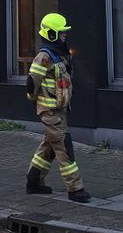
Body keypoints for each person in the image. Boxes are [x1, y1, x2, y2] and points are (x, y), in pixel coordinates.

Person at [25, 13, 91, 203]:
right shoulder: (44, 56)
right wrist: (37, 101)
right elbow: (31, 83)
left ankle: (34, 181)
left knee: (49, 146)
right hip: (50, 111)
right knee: (64, 147)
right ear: (51, 34)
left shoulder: (60, 55)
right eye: (61, 33)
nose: (64, 36)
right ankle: (75, 188)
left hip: (59, 110)